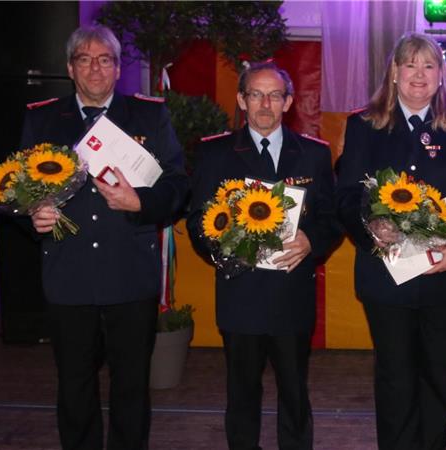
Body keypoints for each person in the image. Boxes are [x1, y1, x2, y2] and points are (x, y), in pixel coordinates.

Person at [27, 25, 188, 449]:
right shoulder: (42, 118)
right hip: (69, 274)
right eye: (85, 59)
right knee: (74, 388)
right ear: (69, 68)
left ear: (118, 69)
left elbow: (177, 186)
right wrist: (31, 213)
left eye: (104, 60)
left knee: (131, 389)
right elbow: (14, 190)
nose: (95, 68)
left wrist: (141, 204)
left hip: (128, 273)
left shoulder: (149, 116)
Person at [335, 33, 446, 450]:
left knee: (439, 374)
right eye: (410, 65)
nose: (419, 75)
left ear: (441, 75)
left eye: (429, 66)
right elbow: (346, 197)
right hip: (385, 277)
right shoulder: (363, 126)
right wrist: (371, 225)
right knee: (394, 376)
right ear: (394, 72)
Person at [186, 62, 339, 450]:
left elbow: (332, 218)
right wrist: (222, 247)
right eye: (256, 94)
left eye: (274, 95)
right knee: (241, 394)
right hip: (241, 293)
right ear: (241, 99)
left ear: (288, 101)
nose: (265, 104)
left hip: (292, 293)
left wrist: (311, 242)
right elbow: (197, 222)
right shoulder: (214, 154)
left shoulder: (314, 155)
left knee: (294, 392)